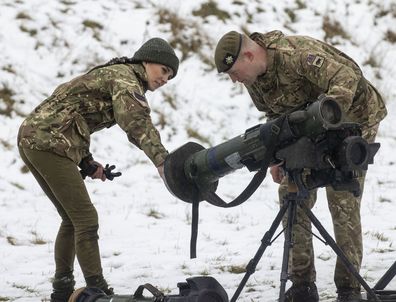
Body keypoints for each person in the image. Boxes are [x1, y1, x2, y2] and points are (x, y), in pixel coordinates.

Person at [214, 30, 387, 302]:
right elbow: (276, 113)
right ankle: (303, 285)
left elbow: (346, 78)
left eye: (234, 72)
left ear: (249, 55)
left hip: (354, 116)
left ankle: (349, 288)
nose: (235, 80)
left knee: (342, 197)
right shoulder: (254, 78)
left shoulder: (294, 56)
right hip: (311, 127)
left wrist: (327, 123)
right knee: (291, 193)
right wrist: (279, 155)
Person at [17, 37, 179, 302]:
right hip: (48, 142)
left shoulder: (115, 74)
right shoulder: (126, 79)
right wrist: (162, 161)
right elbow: (136, 122)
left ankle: (62, 290)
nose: (165, 79)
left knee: (72, 219)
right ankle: (99, 291)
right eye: (164, 70)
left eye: (170, 77)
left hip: (36, 138)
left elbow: (71, 114)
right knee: (86, 220)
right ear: (148, 60)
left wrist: (87, 163)